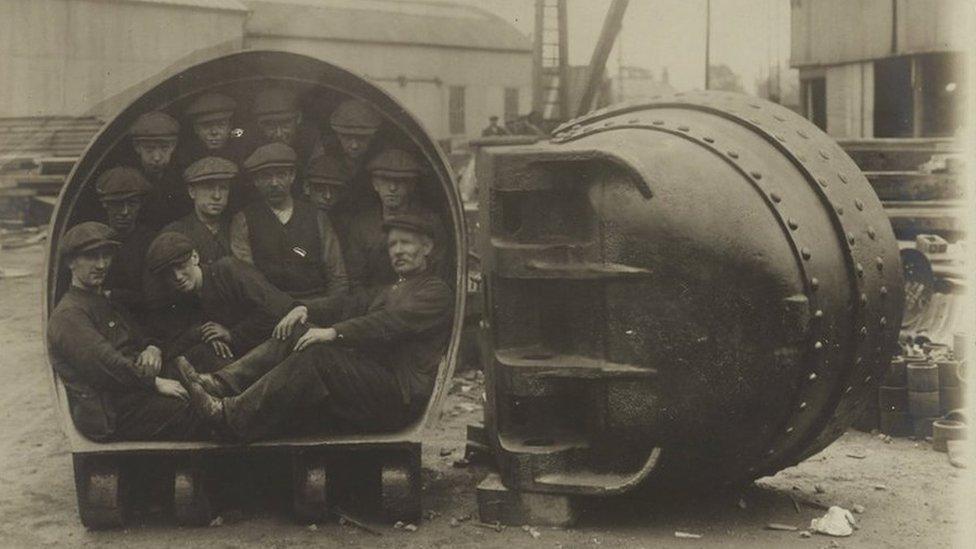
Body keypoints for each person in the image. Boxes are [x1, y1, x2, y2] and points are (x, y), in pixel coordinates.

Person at [176, 214, 454, 442]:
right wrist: (304, 309)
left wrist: (333, 332)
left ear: (427, 247)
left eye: (406, 243)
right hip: (377, 381)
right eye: (393, 245)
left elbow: (388, 324)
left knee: (318, 355)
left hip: (400, 397)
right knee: (296, 331)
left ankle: (228, 416)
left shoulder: (435, 292)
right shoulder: (392, 288)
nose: (398, 251)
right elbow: (349, 303)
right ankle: (220, 383)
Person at [47, 222, 207, 442]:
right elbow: (105, 365)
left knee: (205, 359)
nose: (102, 264)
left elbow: (141, 334)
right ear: (71, 262)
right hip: (110, 410)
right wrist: (156, 383)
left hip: (132, 390)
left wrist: (153, 347)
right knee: (197, 411)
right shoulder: (69, 314)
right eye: (92, 256)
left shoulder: (103, 299)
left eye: (106, 256)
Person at [145, 231, 301, 370]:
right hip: (242, 356)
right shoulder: (181, 298)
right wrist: (203, 333)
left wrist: (232, 334)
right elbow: (171, 340)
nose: (178, 277)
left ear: (195, 257)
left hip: (281, 346)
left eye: (181, 266)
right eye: (168, 273)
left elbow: (277, 309)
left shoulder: (228, 270)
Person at [229, 143, 348, 298]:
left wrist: (326, 311)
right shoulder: (243, 220)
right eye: (266, 176)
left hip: (315, 307)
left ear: (292, 176)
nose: (274, 183)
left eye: (281, 174)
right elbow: (247, 281)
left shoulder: (317, 217)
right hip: (268, 310)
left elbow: (337, 277)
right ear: (256, 180)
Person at [345, 148, 447, 296]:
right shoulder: (362, 225)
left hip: (419, 301)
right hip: (373, 304)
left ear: (411, 185)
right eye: (385, 180)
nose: (392, 188)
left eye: (400, 181)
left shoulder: (430, 222)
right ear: (375, 184)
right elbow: (356, 282)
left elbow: (440, 273)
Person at [95, 166, 157, 309]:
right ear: (105, 203)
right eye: (117, 204)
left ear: (140, 204)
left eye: (132, 204)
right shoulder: (94, 240)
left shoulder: (151, 241)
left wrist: (112, 295)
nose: (125, 212)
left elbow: (153, 296)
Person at [162, 157, 237, 266]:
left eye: (223, 188)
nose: (217, 196)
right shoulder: (174, 232)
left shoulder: (236, 228)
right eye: (208, 188)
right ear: (192, 192)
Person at [126, 111, 193, 230]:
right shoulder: (126, 178)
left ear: (173, 146)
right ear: (137, 147)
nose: (157, 157)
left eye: (164, 148)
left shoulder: (183, 179)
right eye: (149, 149)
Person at [303, 154, 352, 243]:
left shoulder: (345, 227)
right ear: (306, 187)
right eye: (320, 188)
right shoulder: (295, 220)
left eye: (334, 189)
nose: (328, 196)